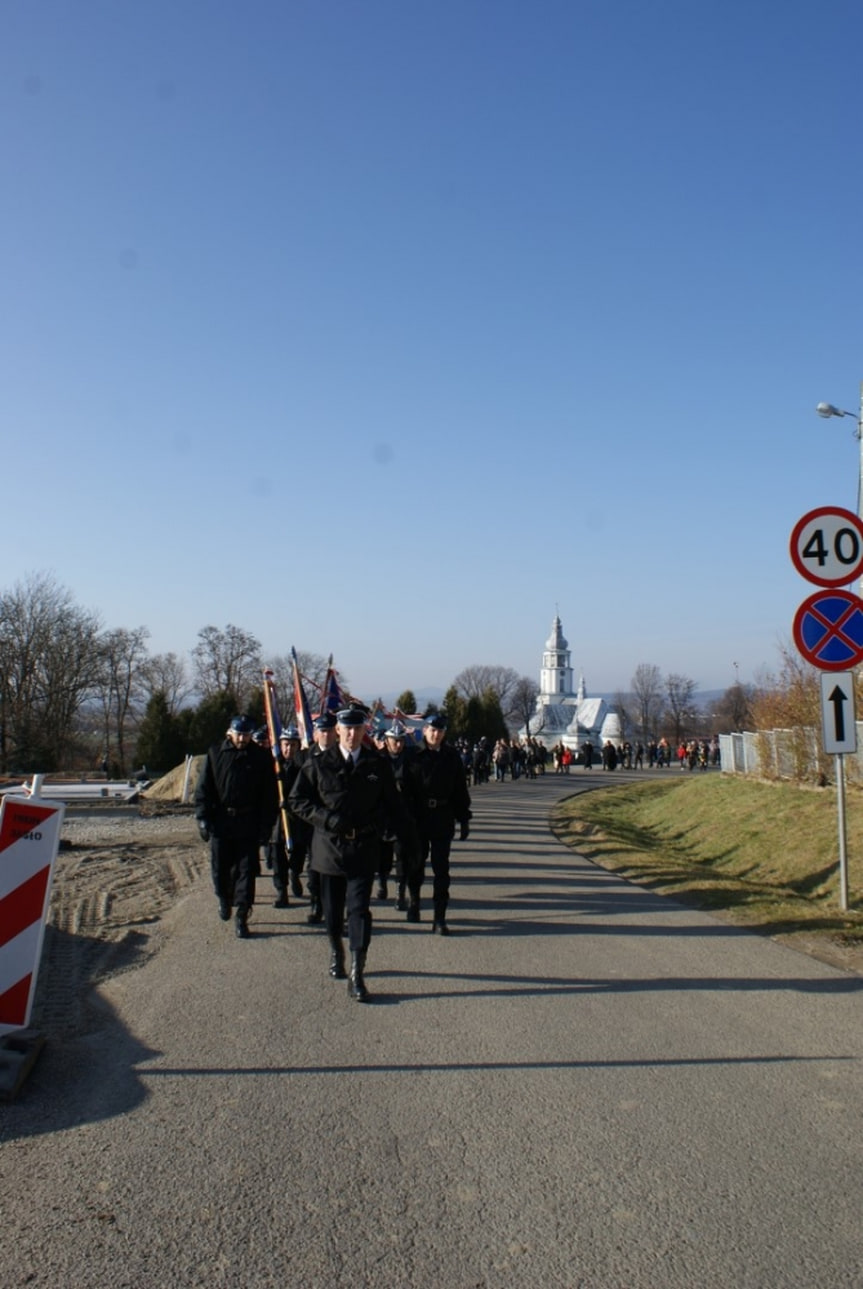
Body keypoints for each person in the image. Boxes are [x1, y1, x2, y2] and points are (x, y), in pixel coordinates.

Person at [289, 706, 413, 1001]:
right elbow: (298, 800)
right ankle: (336, 950)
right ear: (338, 731)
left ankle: (358, 972)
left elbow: (393, 805)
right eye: (347, 729)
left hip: (363, 849)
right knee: (332, 915)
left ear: (363, 732)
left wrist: (404, 837)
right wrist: (326, 819)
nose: (353, 734)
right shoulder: (320, 763)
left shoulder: (376, 765)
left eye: (358, 729)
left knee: (359, 911)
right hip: (329, 850)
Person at [195, 715, 279, 939]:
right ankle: (224, 897)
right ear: (229, 733)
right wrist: (203, 818)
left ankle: (242, 914)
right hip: (222, 822)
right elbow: (204, 790)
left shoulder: (260, 757)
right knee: (220, 868)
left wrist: (266, 825)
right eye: (238, 734)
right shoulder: (215, 754)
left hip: (248, 823)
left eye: (246, 734)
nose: (242, 738)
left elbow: (269, 795)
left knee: (246, 871)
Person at [406, 712, 472, 934]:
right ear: (424, 730)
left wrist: (464, 818)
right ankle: (414, 900)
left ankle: (439, 917)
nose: (436, 735)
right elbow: (404, 791)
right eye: (432, 730)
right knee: (416, 865)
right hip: (418, 818)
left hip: (443, 817)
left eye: (440, 731)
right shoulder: (412, 755)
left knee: (441, 870)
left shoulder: (451, 757)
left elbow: (459, 790)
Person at [268, 726, 310, 908]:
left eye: (293, 745)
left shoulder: (304, 766)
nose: (288, 749)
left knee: (299, 852)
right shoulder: (273, 766)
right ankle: (281, 890)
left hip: (298, 817)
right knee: (277, 853)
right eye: (286, 745)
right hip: (278, 817)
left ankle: (295, 873)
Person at [303, 711, 338, 925]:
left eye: (329, 731)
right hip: (311, 822)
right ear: (315, 733)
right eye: (322, 731)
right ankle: (316, 903)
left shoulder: (341, 757)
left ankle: (336, 911)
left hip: (333, 824)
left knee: (335, 870)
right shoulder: (305, 758)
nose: (326, 735)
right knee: (314, 867)